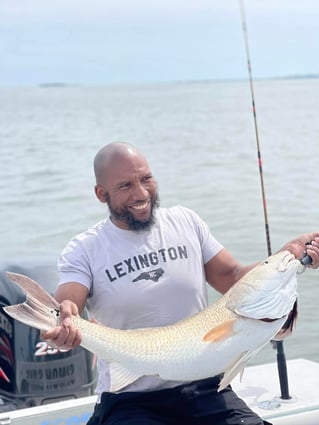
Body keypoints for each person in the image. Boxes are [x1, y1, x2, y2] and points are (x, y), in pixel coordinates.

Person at [43, 142, 319, 425]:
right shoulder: (85, 248)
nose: (141, 193)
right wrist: (63, 319)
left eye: (146, 179)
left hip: (206, 389)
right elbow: (68, 305)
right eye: (125, 186)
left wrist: (288, 254)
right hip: (131, 399)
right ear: (102, 194)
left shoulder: (186, 222)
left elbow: (233, 277)